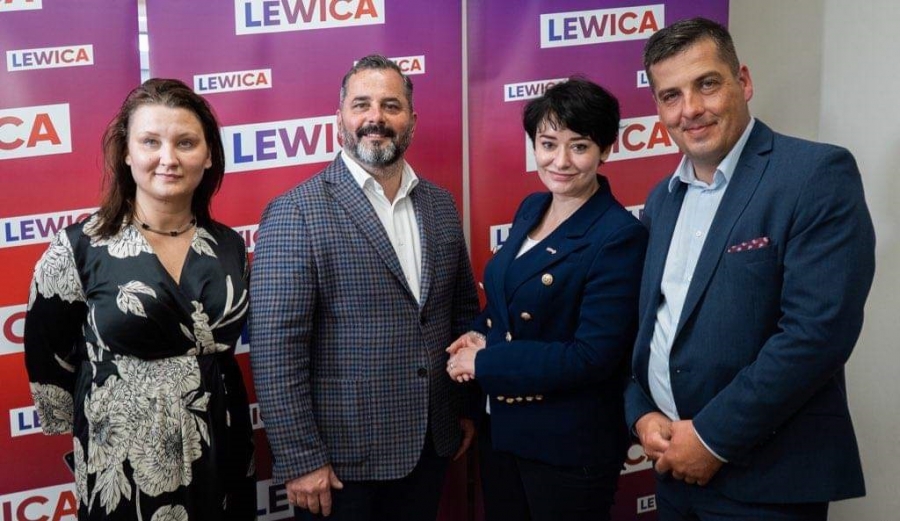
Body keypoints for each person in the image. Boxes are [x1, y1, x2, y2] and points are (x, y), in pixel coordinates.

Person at [625, 17, 875, 520]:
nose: (690, 109)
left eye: (707, 84)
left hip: (767, 483)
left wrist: (711, 439)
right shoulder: (661, 200)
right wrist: (642, 412)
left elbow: (817, 333)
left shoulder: (815, 175)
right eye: (671, 95)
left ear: (743, 81)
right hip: (673, 472)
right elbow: (653, 325)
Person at [249, 54, 479, 520]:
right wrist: (301, 458)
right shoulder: (295, 211)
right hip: (339, 465)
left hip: (431, 443)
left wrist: (464, 407)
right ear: (340, 119)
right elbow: (276, 351)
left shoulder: (440, 204)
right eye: (361, 105)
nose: (376, 117)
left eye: (391, 105)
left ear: (412, 120)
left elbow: (460, 314)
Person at [23, 78, 256, 520]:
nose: (168, 158)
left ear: (209, 155)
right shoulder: (78, 248)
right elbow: (48, 355)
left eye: (185, 142)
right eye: (150, 142)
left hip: (221, 445)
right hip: (124, 460)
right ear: (127, 153)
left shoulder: (229, 247)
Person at [446, 78, 648, 521]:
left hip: (567, 445)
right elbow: (508, 302)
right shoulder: (532, 206)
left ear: (606, 150)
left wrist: (486, 361)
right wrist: (479, 334)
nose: (560, 161)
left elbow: (592, 357)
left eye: (580, 146)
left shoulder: (619, 236)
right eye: (548, 144)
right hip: (503, 430)